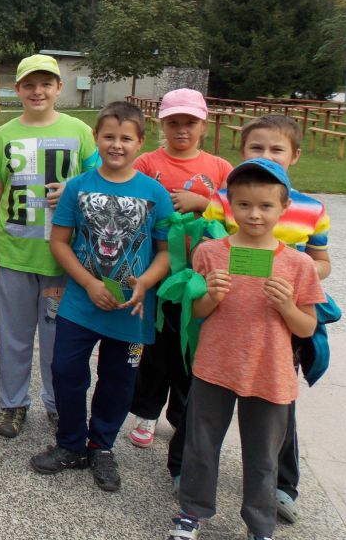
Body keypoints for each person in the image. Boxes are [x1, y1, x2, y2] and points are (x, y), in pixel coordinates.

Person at [168, 159, 324, 540]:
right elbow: (196, 313)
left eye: (266, 206)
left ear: (284, 207)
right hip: (215, 365)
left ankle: (259, 525)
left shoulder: (299, 264)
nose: (254, 214)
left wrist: (287, 306)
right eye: (244, 205)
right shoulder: (209, 253)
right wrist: (211, 297)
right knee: (201, 444)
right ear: (229, 205)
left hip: (270, 371)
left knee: (263, 455)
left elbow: (307, 326)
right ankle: (192, 512)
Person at [30, 101, 172, 492]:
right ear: (96, 137)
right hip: (80, 302)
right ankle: (71, 444)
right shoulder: (77, 187)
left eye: (126, 138)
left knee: (118, 381)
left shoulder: (155, 193)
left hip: (132, 309)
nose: (116, 145)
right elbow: (60, 243)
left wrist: (146, 282)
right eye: (109, 136)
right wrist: (90, 283)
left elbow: (166, 251)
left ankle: (102, 446)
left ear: (140, 142)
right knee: (65, 370)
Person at [202, 114, 331, 524]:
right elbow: (207, 255)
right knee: (204, 422)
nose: (254, 213)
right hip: (223, 334)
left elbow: (320, 266)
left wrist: (292, 279)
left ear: (295, 155)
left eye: (277, 149)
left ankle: (280, 490)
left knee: (273, 421)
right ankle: (191, 492)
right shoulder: (224, 209)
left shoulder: (309, 212)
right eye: (257, 147)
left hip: (275, 329)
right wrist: (211, 288)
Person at [0, 54, 99, 439]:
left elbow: (100, 182)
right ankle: (13, 404)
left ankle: (58, 403)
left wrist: (74, 191)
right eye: (29, 84)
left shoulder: (79, 131)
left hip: (63, 258)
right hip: (14, 254)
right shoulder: (4, 134)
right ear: (17, 89)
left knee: (57, 339)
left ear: (59, 88)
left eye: (46, 83)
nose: (38, 91)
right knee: (13, 337)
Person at [127, 89, 232, 491]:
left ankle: (180, 415)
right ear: (162, 125)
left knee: (191, 352)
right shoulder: (147, 162)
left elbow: (237, 212)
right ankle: (147, 412)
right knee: (154, 348)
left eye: (190, 123)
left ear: (204, 125)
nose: (181, 130)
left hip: (200, 279)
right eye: (173, 122)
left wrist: (202, 203)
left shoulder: (220, 167)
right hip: (156, 272)